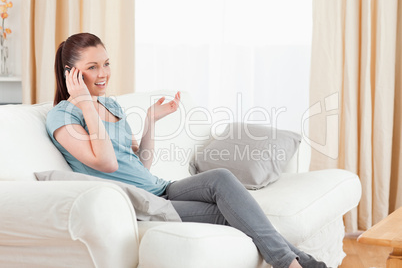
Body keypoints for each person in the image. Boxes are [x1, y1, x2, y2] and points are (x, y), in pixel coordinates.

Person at [46, 32, 327, 268]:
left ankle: (293, 262)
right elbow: (107, 164)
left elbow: (141, 165)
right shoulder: (63, 117)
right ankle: (296, 262)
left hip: (161, 187)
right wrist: (83, 103)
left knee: (221, 178)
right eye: (93, 66)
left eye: (106, 64)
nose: (104, 73)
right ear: (71, 73)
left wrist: (150, 121)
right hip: (138, 203)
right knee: (228, 214)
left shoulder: (111, 105)